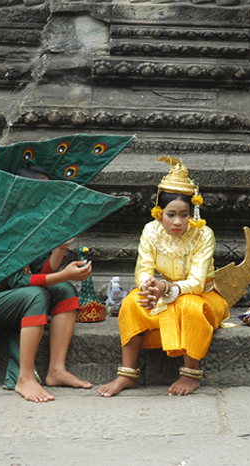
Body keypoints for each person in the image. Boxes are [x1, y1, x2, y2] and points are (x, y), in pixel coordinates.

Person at [98, 156, 230, 397]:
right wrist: (148, 287)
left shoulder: (203, 234)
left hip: (204, 296)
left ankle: (190, 374)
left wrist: (165, 289)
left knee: (190, 307)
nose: (178, 222)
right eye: (171, 214)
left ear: (192, 212)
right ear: (159, 213)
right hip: (163, 291)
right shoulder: (151, 230)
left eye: (184, 214)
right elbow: (143, 269)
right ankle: (126, 374)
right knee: (131, 304)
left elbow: (198, 282)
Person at [0, 241, 94, 402]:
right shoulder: (1, 226)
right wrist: (64, 275)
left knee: (65, 290)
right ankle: (24, 378)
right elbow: (16, 281)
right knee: (36, 296)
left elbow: (41, 271)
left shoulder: (27, 225)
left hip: (18, 294)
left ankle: (56, 370)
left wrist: (61, 246)